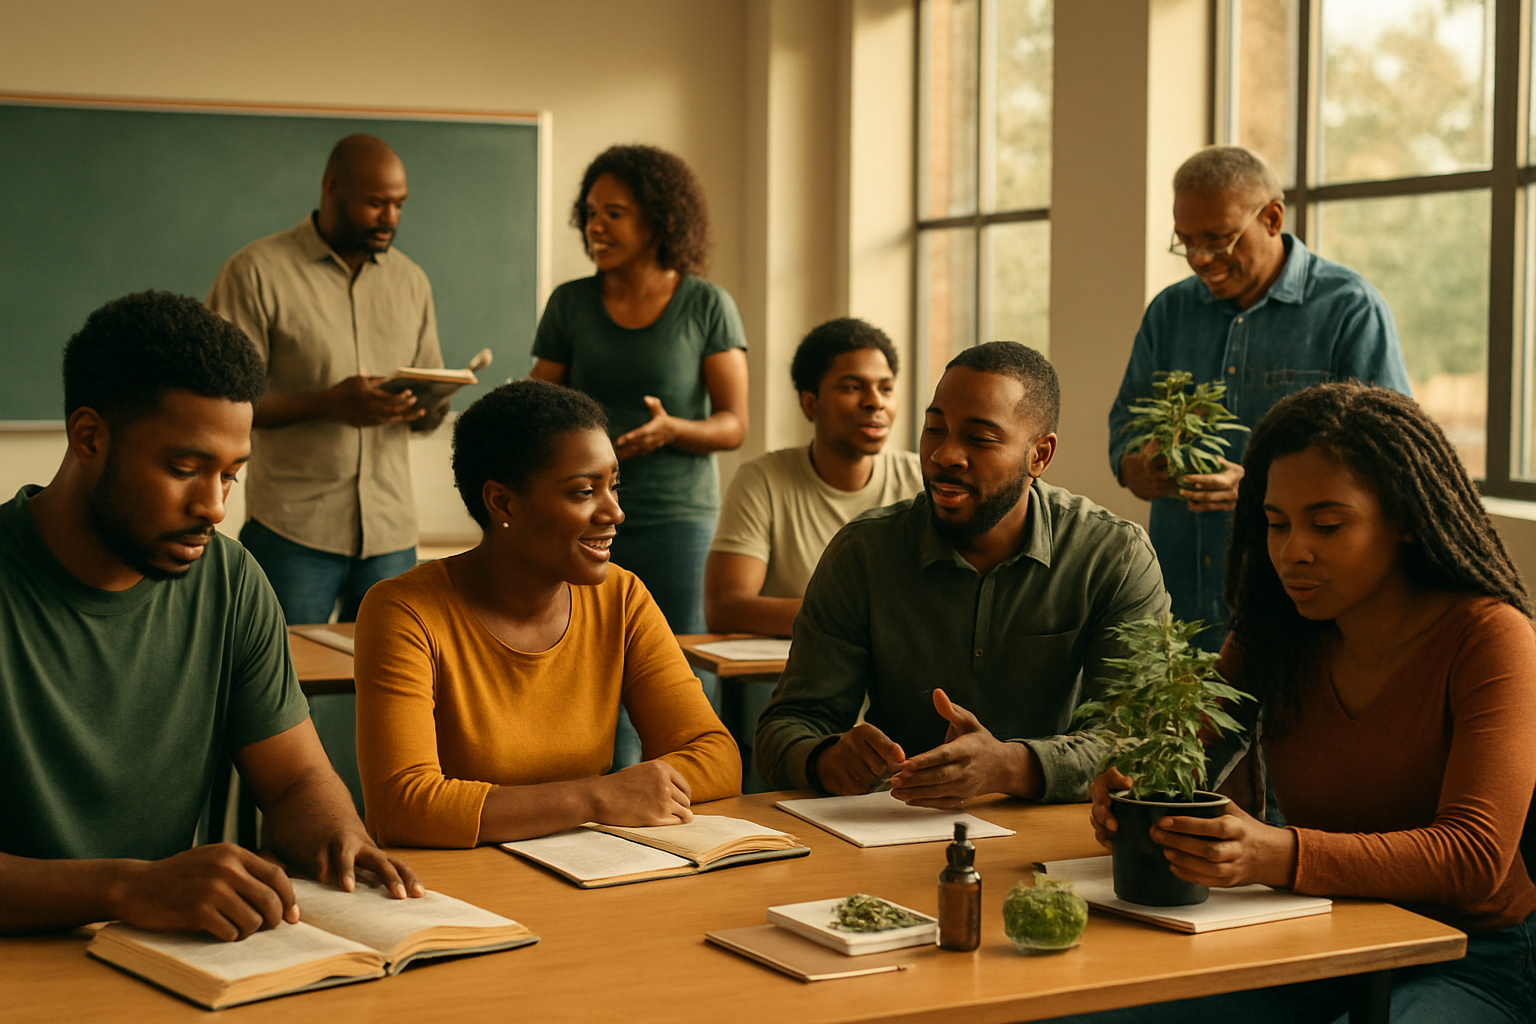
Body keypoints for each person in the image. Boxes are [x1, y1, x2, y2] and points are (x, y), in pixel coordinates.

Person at [1072, 382, 1536, 1024]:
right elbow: (1183, 749)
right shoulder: (1276, 631)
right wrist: (1130, 790)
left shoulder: (1490, 637)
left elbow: (1474, 856)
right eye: (1276, 524)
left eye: (1327, 525)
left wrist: (1276, 853)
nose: (1293, 552)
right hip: (1315, 934)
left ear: (1405, 519)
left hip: (1466, 956)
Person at [0, 291, 420, 939]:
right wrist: (127, 888)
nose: (215, 507)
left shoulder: (230, 579)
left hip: (167, 956)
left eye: (230, 475)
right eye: (184, 468)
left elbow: (296, 780)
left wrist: (340, 834)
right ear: (89, 438)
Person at [755, 342, 1170, 805]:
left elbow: (1140, 737)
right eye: (935, 429)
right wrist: (824, 758)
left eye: (980, 438)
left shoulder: (1113, 555)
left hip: (1058, 827)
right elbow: (786, 725)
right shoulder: (863, 552)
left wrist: (1011, 766)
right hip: (896, 821)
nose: (944, 455)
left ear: (1039, 455)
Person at [353, 380, 742, 847]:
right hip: (464, 880)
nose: (614, 512)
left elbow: (717, 756)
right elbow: (401, 805)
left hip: (592, 868)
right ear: (502, 502)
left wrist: (614, 795)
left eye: (613, 486)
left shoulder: (621, 598)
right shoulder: (404, 611)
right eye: (583, 492)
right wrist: (596, 797)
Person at [1109, 145, 1411, 652]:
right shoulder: (1168, 312)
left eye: (1218, 239)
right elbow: (1124, 426)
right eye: (1186, 242)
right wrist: (1137, 464)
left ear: (1272, 218)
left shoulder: (1350, 309)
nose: (1200, 259)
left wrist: (1260, 491)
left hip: (1299, 618)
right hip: (1180, 611)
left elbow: (1390, 458)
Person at [207, 133, 446, 627]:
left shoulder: (412, 282)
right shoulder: (255, 272)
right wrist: (329, 403)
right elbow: (220, 406)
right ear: (332, 188)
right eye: (376, 203)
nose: (390, 218)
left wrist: (431, 405)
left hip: (391, 534)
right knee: (282, 670)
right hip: (293, 531)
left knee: (393, 672)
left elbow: (425, 405)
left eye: (399, 204)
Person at [529, 144, 749, 638]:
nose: (595, 227)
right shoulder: (569, 303)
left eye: (614, 213)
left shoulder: (707, 304)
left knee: (681, 656)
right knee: (586, 655)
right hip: (582, 514)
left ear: (658, 220)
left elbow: (734, 424)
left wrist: (672, 430)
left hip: (677, 518)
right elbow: (534, 410)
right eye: (590, 213)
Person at [705, 317, 923, 637]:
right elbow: (725, 608)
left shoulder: (921, 479)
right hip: (790, 666)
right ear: (810, 404)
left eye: (886, 388)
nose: (875, 402)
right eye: (852, 387)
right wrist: (861, 613)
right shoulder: (762, 480)